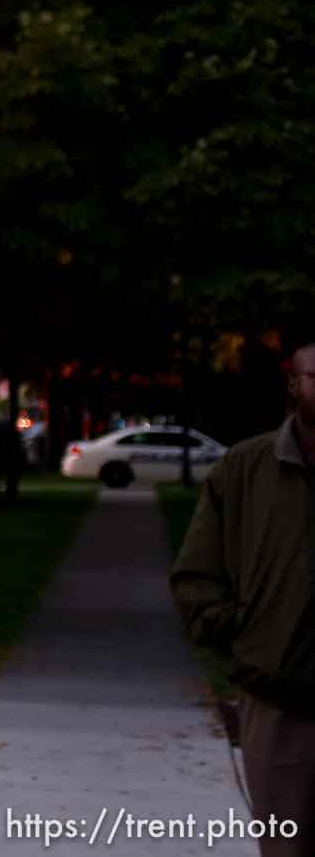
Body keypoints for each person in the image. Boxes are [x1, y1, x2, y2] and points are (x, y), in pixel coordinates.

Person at [172, 337, 315, 857]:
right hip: (280, 706)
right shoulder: (246, 469)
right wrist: (248, 635)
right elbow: (197, 574)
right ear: (294, 385)